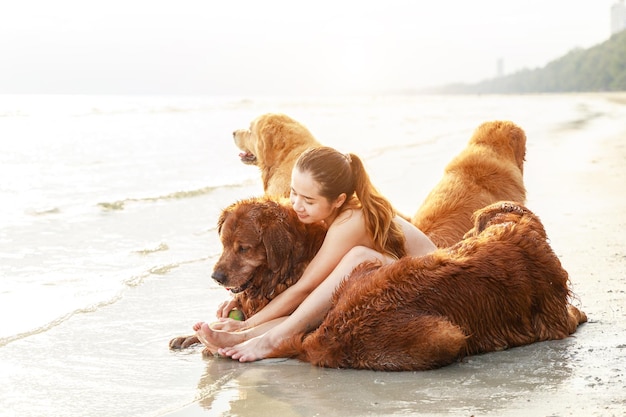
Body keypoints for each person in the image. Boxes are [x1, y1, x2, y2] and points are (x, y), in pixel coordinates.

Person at [194, 146, 437, 362]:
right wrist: (241, 309)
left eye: (308, 200)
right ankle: (244, 337)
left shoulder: (352, 220)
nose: (297, 205)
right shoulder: (330, 215)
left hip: (431, 289)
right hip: (403, 284)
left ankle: (267, 340)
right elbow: (313, 299)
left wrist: (248, 322)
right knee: (320, 308)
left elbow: (306, 287)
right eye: (293, 193)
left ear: (338, 200)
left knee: (359, 257)